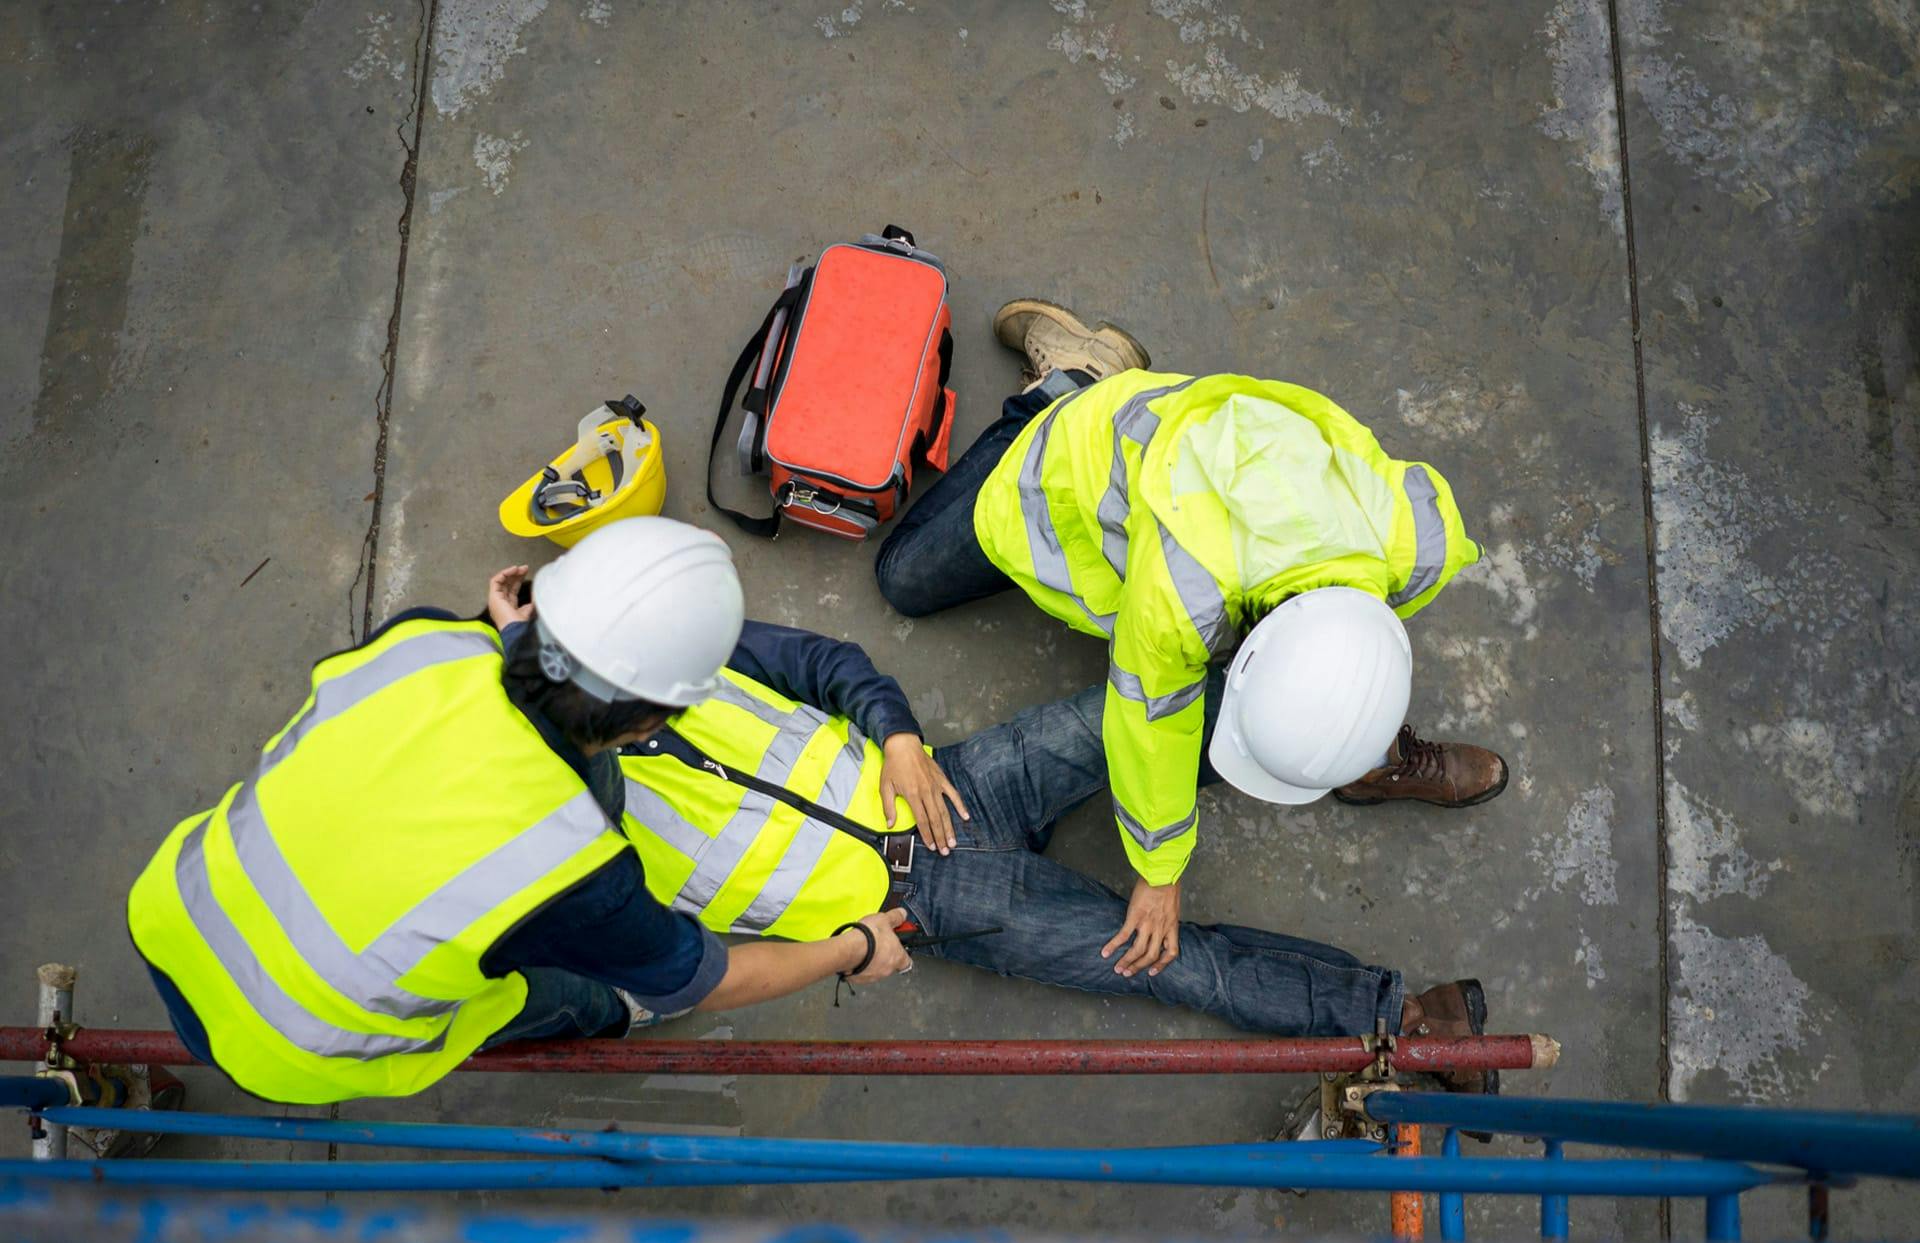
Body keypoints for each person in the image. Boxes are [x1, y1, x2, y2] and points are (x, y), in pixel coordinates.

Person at [125, 518, 911, 1104]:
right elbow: (711, 981)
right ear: (648, 725)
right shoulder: (576, 864)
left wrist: (511, 641)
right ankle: (609, 1012)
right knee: (569, 990)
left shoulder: (424, 639)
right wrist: (852, 948)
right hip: (292, 1042)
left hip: (176, 904)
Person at [874, 300, 1509, 981]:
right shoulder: (1181, 597)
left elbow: (1358, 648)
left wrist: (1350, 716)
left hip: (1195, 467)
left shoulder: (1419, 539)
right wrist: (1160, 872)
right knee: (905, 579)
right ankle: (1071, 380)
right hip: (1071, 464)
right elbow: (1149, 727)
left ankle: (1368, 757)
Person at [606, 608, 1495, 1078]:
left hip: (952, 781)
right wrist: (853, 948)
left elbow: (822, 664)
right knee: (1180, 966)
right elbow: (682, 979)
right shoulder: (562, 849)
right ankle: (1409, 1021)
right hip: (926, 909)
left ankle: (1358, 754)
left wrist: (898, 735)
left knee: (1156, 714)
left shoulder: (639, 650)